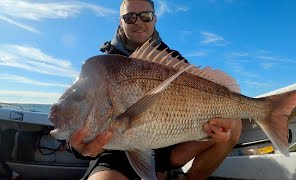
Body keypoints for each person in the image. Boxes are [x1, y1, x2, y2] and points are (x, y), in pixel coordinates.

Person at [69, 0, 242, 179]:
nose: (138, 21)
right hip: (117, 151)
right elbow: (76, 113)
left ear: (154, 19)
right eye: (130, 17)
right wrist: (78, 147)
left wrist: (212, 133)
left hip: (167, 143)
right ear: (121, 21)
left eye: (145, 16)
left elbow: (196, 98)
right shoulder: (103, 67)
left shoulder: (173, 59)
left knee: (233, 124)